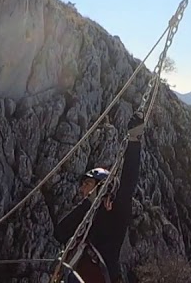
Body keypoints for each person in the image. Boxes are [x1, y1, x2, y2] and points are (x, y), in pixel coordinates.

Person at [53, 115, 145, 283]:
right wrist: (88, 204)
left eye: (87, 183)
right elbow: (59, 233)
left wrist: (134, 141)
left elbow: (128, 183)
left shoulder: (115, 211)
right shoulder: (84, 218)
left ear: (101, 185)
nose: (82, 189)